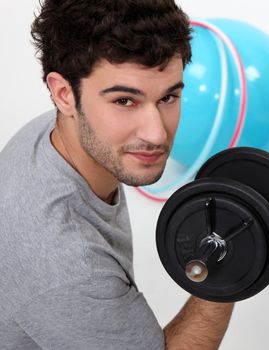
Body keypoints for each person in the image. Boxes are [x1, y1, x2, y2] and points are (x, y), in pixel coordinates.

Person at [0, 1, 234, 349]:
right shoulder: (70, 269)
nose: (156, 134)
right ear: (64, 94)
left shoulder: (52, 134)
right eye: (125, 101)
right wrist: (234, 263)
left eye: (169, 96)